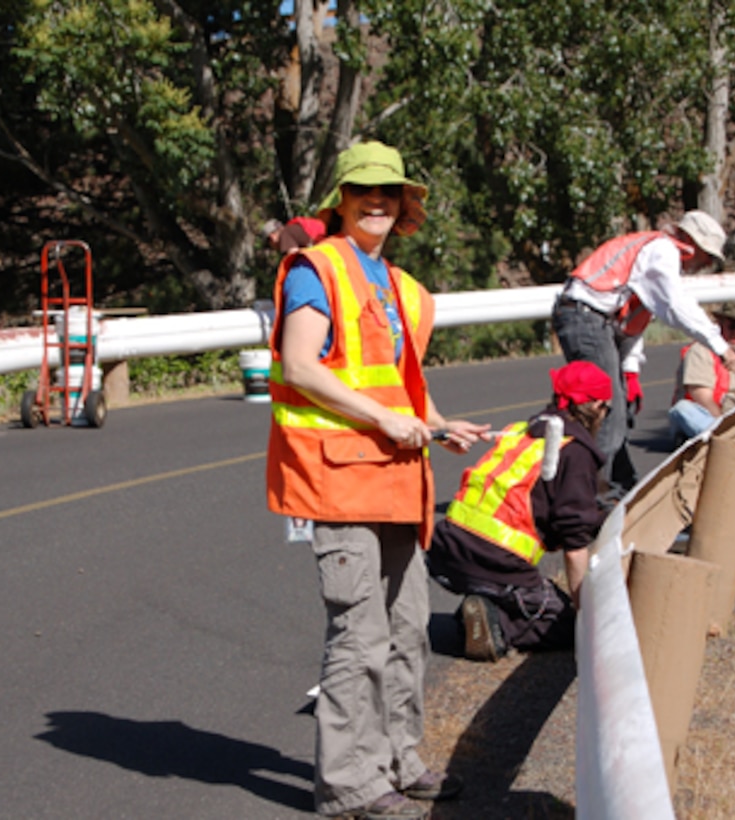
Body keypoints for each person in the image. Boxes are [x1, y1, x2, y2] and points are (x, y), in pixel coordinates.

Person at [265, 140, 490, 820]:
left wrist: (439, 423)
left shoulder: (399, 288)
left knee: (406, 632)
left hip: (397, 482)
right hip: (338, 483)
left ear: (403, 206)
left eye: (389, 191)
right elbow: (302, 366)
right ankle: (348, 787)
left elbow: (394, 387)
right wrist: (385, 423)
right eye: (364, 189)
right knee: (358, 637)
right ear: (340, 199)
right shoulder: (317, 269)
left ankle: (398, 760)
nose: (377, 200)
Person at [427, 360, 611, 662]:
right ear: (597, 407)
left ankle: (484, 604)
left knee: (522, 594)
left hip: (447, 548)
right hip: (495, 557)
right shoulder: (574, 452)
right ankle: (497, 623)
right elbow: (574, 546)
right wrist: (583, 615)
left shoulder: (520, 432)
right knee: (565, 625)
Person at [550, 210, 735, 499]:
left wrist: (630, 372)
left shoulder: (654, 252)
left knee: (619, 410)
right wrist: (720, 346)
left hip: (595, 322)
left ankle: (620, 484)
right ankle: (590, 496)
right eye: (707, 257)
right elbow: (676, 306)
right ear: (691, 244)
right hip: (586, 319)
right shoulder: (662, 251)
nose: (706, 265)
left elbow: (633, 319)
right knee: (606, 408)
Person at [667, 301, 735, 444]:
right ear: (718, 325)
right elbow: (701, 397)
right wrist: (723, 426)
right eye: (732, 327)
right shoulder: (701, 350)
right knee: (683, 410)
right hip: (708, 416)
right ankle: (724, 439)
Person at [262, 215, 328, 253]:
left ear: (272, 237)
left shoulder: (284, 234)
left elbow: (294, 256)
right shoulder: (291, 229)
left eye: (269, 245)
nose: (273, 248)